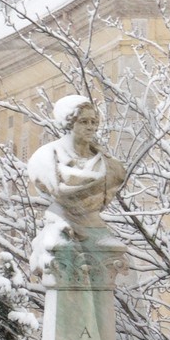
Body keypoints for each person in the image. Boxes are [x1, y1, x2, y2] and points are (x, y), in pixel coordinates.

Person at [26, 95, 126, 242]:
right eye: (83, 122)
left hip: (95, 229)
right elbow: (53, 189)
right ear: (69, 123)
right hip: (63, 224)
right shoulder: (45, 159)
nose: (91, 127)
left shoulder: (111, 166)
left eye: (93, 122)